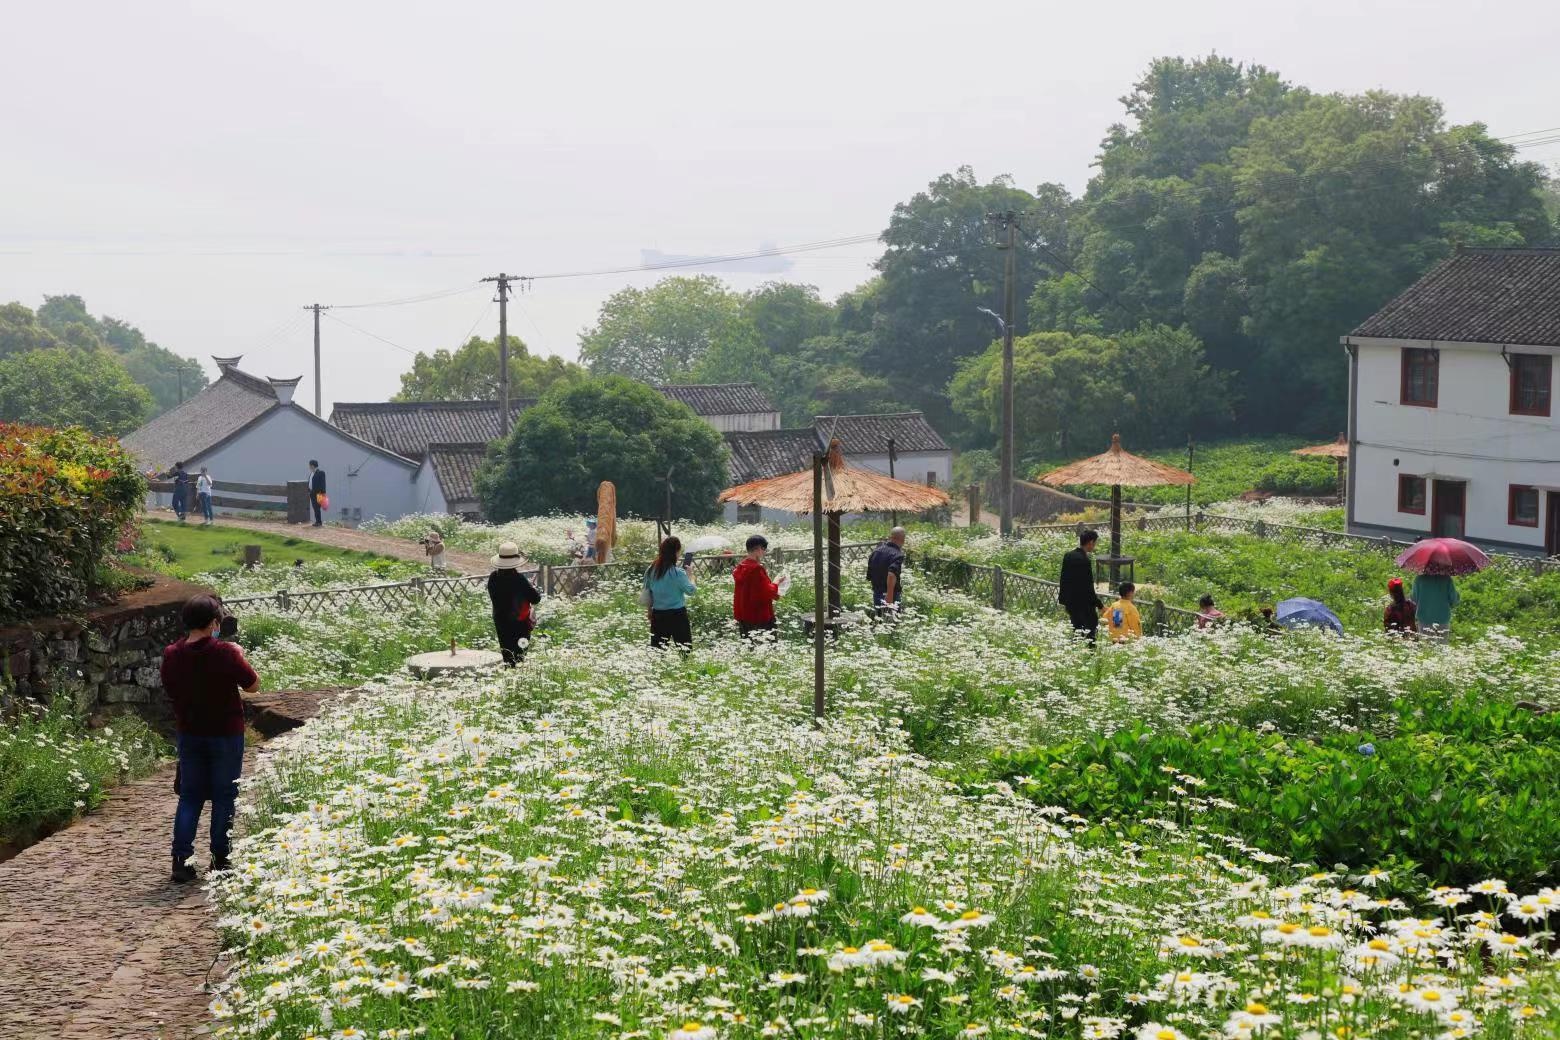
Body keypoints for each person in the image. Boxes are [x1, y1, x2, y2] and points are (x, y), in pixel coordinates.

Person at [162, 595, 258, 883]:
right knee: (224, 796)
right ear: (215, 622)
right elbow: (253, 685)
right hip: (225, 733)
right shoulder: (225, 652)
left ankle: (181, 859)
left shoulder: (172, 654)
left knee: (190, 796)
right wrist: (239, 654)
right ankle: (220, 858)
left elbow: (170, 688)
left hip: (190, 732)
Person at [487, 541, 542, 665]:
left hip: (500, 620)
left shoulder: (493, 577)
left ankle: (508, 672)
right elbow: (535, 599)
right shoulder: (519, 580)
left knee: (506, 651)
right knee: (520, 652)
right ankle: (518, 675)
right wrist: (532, 588)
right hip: (520, 623)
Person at [644, 536, 697, 649]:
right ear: (675, 552)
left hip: (658, 615)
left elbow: (647, 592)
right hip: (677, 615)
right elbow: (691, 591)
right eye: (679, 552)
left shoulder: (651, 570)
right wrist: (691, 576)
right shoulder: (678, 573)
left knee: (657, 651)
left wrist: (649, 611)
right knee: (684, 650)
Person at [732, 534, 783, 638]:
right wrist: (777, 582)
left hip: (743, 614)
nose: (764, 552)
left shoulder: (740, 567)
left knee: (748, 647)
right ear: (758, 549)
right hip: (759, 615)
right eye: (764, 549)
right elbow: (767, 592)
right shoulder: (756, 569)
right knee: (767, 646)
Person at [1058, 530, 1105, 641]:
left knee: (1077, 631)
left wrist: (1064, 599)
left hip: (1070, 602)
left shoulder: (1068, 556)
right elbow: (1088, 587)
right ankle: (1090, 655)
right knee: (1091, 632)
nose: (1094, 546)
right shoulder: (1084, 560)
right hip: (1084, 604)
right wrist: (1099, 605)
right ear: (1090, 542)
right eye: (1094, 543)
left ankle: (1075, 653)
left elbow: (1063, 579)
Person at [867, 527, 908, 610]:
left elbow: (870, 573)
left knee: (879, 619)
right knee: (892, 620)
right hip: (890, 595)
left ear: (891, 537)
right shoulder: (897, 554)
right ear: (902, 539)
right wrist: (889, 595)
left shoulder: (876, 551)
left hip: (877, 592)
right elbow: (891, 574)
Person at [307, 459, 326, 527]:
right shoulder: (312, 473)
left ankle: (319, 522)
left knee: (317, 508)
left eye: (309, 465)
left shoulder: (321, 472)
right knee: (315, 508)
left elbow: (323, 483)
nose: (309, 467)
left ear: (312, 465)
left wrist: (323, 493)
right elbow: (310, 483)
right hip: (312, 493)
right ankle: (317, 521)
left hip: (319, 493)